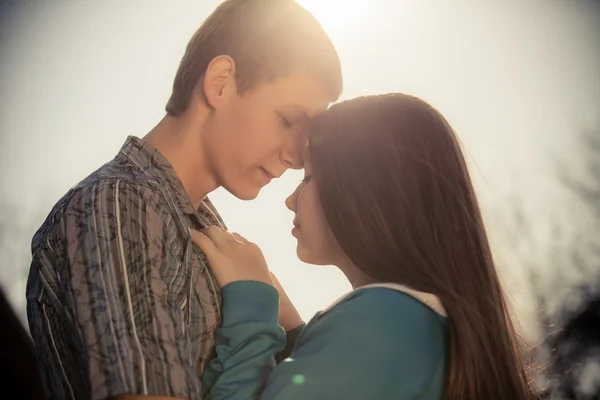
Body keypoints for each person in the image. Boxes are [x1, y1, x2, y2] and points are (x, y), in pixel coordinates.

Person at [25, 1, 342, 399]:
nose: (298, 156)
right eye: (288, 121)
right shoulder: (118, 206)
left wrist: (277, 309)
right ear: (221, 82)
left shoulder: (204, 228)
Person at [190, 93, 538, 399]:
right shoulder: (420, 325)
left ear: (367, 192)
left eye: (308, 178)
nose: (291, 200)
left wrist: (250, 307)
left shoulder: (386, 321)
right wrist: (295, 333)